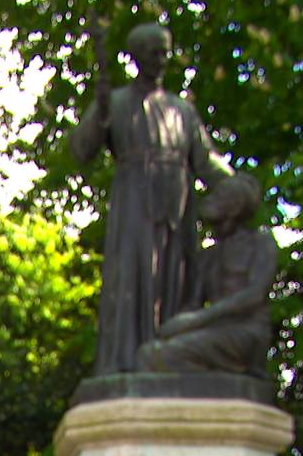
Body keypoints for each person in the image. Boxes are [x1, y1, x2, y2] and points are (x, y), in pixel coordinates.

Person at [69, 22, 233, 375]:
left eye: (165, 51)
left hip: (177, 201)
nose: (162, 59)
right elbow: (82, 148)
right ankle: (127, 361)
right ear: (136, 56)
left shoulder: (182, 111)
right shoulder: (115, 101)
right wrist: (99, 112)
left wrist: (237, 186)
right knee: (133, 275)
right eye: (154, 51)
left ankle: (172, 360)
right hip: (134, 199)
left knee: (177, 276)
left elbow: (205, 159)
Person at [136, 173, 276, 376]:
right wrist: (172, 326)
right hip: (213, 332)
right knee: (148, 355)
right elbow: (194, 304)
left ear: (235, 207)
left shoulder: (260, 244)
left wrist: (195, 320)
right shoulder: (208, 257)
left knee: (162, 357)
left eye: (218, 196)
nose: (209, 200)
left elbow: (254, 295)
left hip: (246, 333)